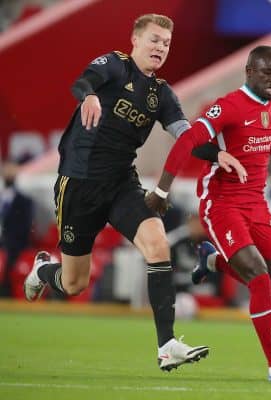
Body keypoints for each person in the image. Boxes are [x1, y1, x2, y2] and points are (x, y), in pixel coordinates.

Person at [22, 13, 245, 371]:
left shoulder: (161, 94)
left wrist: (216, 153)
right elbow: (83, 83)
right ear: (136, 40)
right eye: (155, 40)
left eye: (167, 44)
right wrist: (90, 97)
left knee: (157, 243)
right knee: (74, 282)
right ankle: (44, 272)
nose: (161, 48)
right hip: (79, 182)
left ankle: (167, 345)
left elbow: (186, 136)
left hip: (121, 183)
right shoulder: (114, 65)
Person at [144, 45, 271, 382]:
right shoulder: (229, 106)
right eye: (268, 72)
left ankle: (211, 260)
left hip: (257, 204)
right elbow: (188, 140)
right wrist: (162, 190)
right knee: (260, 276)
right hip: (221, 204)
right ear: (249, 70)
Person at [0, 160, 34, 297]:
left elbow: (25, 227)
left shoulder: (25, 201)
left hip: (14, 245)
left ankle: (5, 293)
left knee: (9, 258)